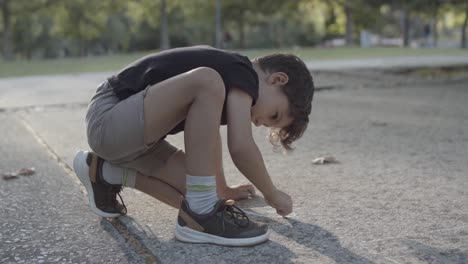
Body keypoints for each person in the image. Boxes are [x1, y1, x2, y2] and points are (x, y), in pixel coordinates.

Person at [73, 45, 314, 247]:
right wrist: (271, 193)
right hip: (109, 116)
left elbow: (209, 139)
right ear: (277, 79)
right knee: (207, 79)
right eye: (274, 115)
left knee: (196, 197)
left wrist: (222, 189)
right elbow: (240, 145)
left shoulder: (229, 88)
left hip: (133, 141)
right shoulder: (241, 72)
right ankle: (203, 209)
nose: (260, 122)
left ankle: (103, 172)